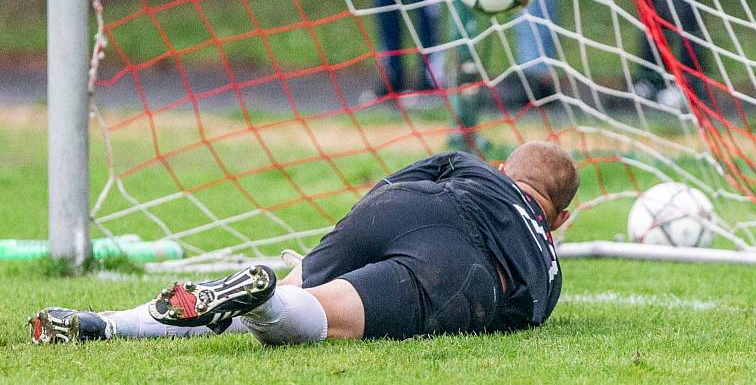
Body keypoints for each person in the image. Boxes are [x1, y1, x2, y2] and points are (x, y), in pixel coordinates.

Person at [29, 141, 579, 345]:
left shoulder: (471, 163)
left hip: (405, 206)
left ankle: (108, 324)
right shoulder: (550, 270)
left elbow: (398, 181)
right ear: (560, 218)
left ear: (505, 168)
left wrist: (359, 229)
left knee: (301, 285)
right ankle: (265, 299)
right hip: (461, 266)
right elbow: (514, 313)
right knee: (320, 316)